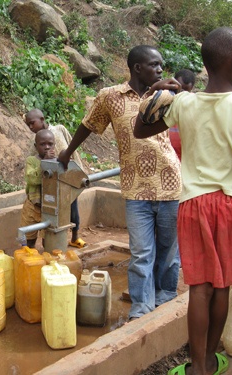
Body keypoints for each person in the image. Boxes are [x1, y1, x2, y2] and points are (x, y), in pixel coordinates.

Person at [134, 27, 232, 375]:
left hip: (193, 205)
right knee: (221, 288)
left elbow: (141, 130)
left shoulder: (184, 102)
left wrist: (156, 93)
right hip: (231, 207)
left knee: (198, 288)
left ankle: (197, 366)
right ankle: (212, 358)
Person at [57, 45, 182, 321]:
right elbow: (89, 124)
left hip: (171, 184)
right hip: (136, 188)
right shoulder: (110, 96)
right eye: (154, 65)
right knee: (141, 253)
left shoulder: (166, 95)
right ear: (137, 68)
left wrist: (178, 93)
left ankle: (165, 300)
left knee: (169, 253)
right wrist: (66, 152)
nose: (161, 69)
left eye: (161, 65)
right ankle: (142, 308)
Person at [24, 108, 86, 248]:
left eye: (33, 123)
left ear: (42, 119)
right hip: (50, 183)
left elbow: (72, 149)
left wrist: (79, 173)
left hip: (68, 177)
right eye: (28, 125)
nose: (31, 127)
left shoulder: (59, 130)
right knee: (53, 218)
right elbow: (32, 167)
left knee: (73, 210)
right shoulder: (34, 142)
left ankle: (75, 237)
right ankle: (50, 247)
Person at [20, 129, 56, 249]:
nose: (46, 147)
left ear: (54, 145)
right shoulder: (32, 161)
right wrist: (44, 163)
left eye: (50, 144)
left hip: (49, 208)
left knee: (49, 240)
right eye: (42, 144)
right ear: (36, 146)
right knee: (29, 239)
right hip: (32, 206)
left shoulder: (57, 162)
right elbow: (32, 180)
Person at [169, 69, 196, 160]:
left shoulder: (194, 104)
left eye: (185, 91)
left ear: (191, 89)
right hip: (168, 154)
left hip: (185, 156)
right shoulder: (165, 99)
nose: (181, 93)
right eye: (179, 89)